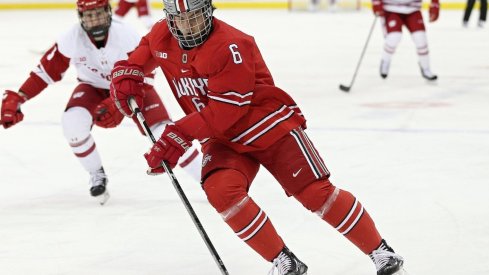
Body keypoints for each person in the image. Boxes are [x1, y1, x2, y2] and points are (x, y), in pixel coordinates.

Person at [109, 0, 406, 274]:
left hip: (268, 126)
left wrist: (178, 134)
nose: (189, 25)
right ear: (170, 20)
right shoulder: (162, 35)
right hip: (222, 138)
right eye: (181, 19)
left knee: (315, 193)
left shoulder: (232, 45)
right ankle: (284, 260)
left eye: (196, 17)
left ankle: (381, 252)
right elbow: (139, 58)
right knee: (221, 191)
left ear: (209, 11)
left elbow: (227, 111)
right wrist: (126, 76)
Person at [0, 0, 201, 205]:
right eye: (89, 15)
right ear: (80, 17)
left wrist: (118, 103)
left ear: (108, 11)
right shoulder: (71, 38)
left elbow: (147, 74)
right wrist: (20, 96)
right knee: (72, 123)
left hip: (132, 90)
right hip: (92, 88)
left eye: (98, 13)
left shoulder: (127, 35)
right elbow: (45, 71)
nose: (94, 20)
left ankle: (206, 177)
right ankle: (97, 174)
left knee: (164, 134)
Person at [372, 0, 439, 80]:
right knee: (394, 37)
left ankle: (426, 68)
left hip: (413, 9)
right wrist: (376, 2)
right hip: (391, 9)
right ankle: (385, 61)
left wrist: (435, 3)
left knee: (420, 38)